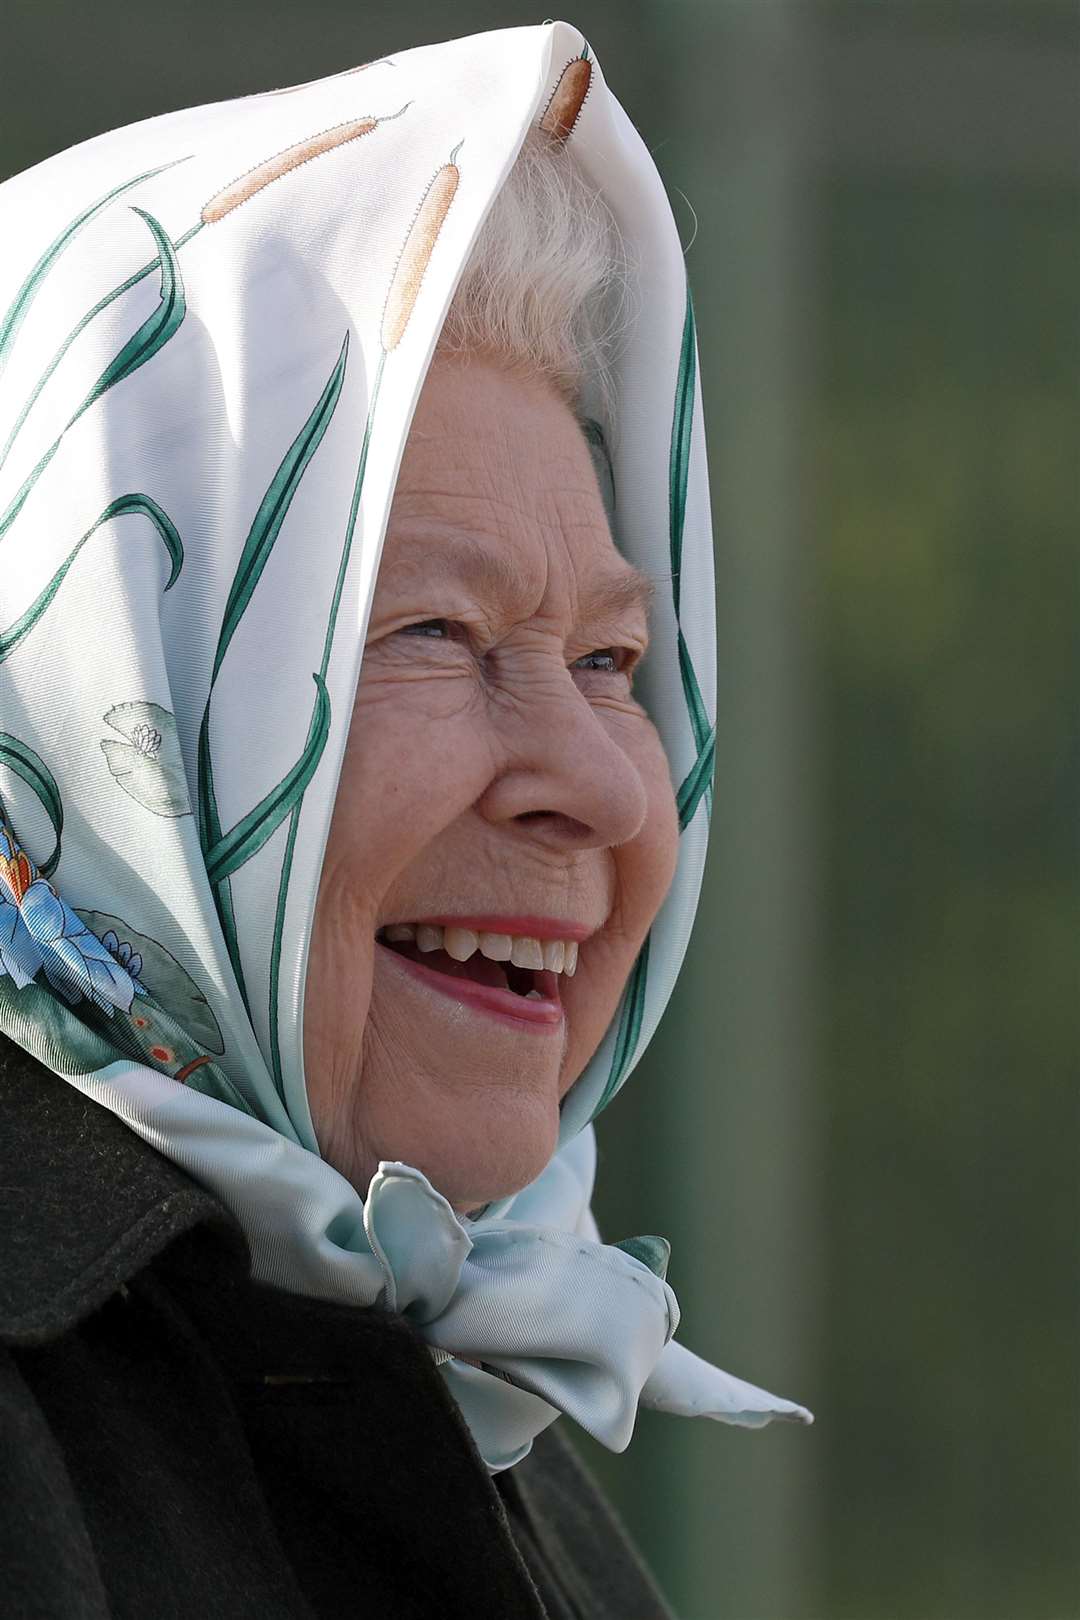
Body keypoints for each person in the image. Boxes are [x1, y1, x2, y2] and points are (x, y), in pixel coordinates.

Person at [0, 20, 812, 1618]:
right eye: (436, 633)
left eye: (610, 660)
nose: (599, 783)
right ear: (94, 675)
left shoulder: (470, 1393)